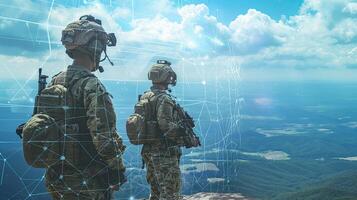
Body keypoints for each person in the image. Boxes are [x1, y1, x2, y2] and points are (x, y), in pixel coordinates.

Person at [44, 15, 126, 199]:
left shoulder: (54, 81)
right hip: (86, 180)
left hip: (56, 176)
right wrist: (117, 169)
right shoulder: (92, 86)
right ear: (95, 48)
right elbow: (103, 136)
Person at [140, 60, 184, 200]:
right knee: (170, 193)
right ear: (167, 76)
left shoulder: (146, 96)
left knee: (156, 192)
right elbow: (166, 126)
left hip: (148, 150)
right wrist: (185, 138)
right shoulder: (164, 98)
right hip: (164, 152)